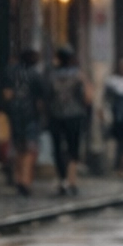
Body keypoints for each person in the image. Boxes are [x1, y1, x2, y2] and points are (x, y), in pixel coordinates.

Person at [3, 46, 48, 196]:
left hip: (15, 114)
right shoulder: (35, 75)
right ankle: (26, 180)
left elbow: (7, 95)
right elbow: (41, 99)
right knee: (29, 149)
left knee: (18, 147)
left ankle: (17, 179)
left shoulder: (11, 72)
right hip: (30, 115)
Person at [45, 44, 89, 195]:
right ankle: (72, 181)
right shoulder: (78, 75)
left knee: (57, 149)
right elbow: (87, 97)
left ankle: (62, 180)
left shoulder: (51, 76)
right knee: (73, 149)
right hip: (74, 116)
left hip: (55, 116)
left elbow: (46, 97)